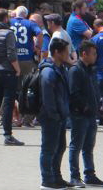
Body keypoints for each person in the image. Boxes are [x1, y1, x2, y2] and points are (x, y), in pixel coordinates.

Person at [68, 40, 103, 188]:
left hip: (91, 114)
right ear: (84, 54)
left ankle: (89, 174)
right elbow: (73, 93)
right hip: (80, 115)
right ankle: (74, 176)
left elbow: (94, 90)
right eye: (93, 53)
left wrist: (98, 105)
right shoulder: (75, 70)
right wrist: (84, 108)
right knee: (76, 146)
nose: (96, 56)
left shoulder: (90, 69)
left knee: (88, 147)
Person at [0, 8, 24, 146]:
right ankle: (7, 135)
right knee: (8, 103)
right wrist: (17, 69)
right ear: (6, 19)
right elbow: (11, 54)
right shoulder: (8, 33)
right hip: (8, 71)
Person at [38, 38, 71, 190]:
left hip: (60, 115)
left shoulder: (60, 68)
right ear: (57, 52)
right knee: (49, 148)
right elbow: (47, 97)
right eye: (65, 51)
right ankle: (47, 179)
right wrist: (54, 114)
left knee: (60, 147)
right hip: (51, 116)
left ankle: (56, 177)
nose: (68, 54)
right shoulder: (48, 71)